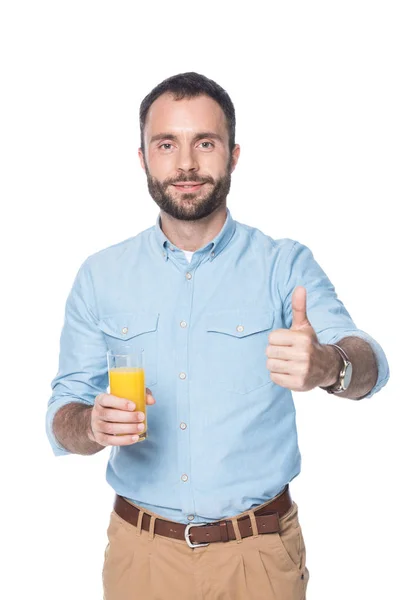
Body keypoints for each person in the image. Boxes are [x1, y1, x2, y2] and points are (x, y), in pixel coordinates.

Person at [46, 72, 390, 600]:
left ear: (232, 155)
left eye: (204, 143)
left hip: (258, 558)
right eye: (167, 144)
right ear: (143, 158)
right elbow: (62, 416)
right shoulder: (100, 276)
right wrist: (91, 423)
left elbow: (370, 366)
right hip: (141, 558)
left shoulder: (283, 265)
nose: (186, 164)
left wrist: (329, 365)